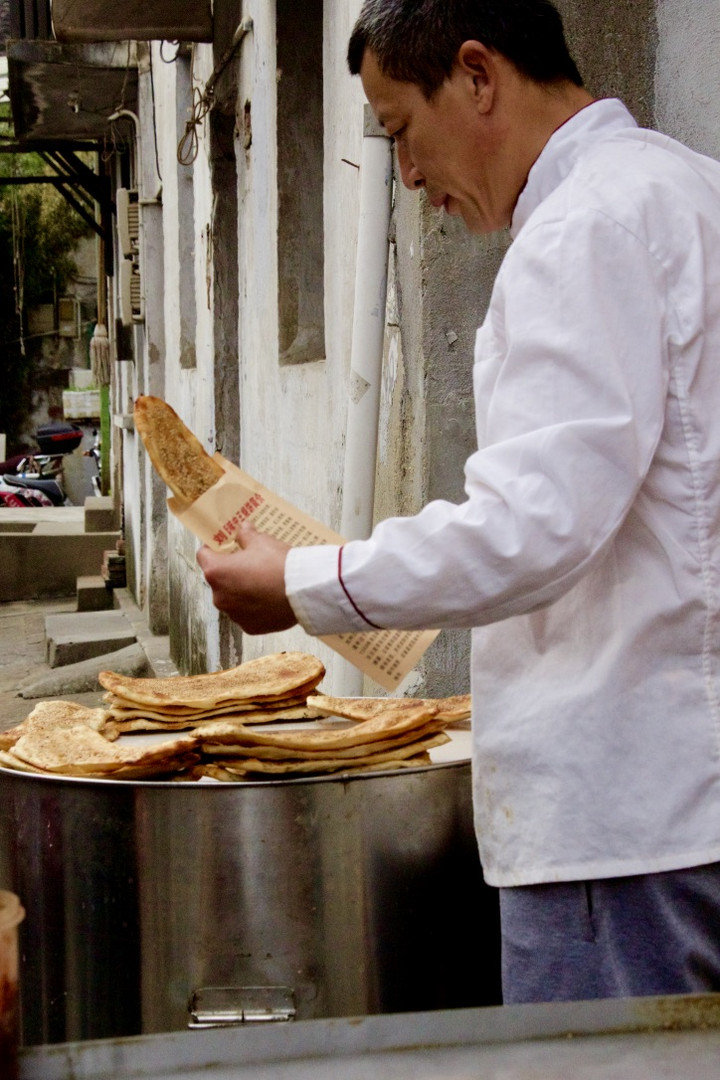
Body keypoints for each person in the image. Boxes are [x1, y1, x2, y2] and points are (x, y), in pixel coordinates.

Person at [198, 0, 720, 1004]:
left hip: (622, 824)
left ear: (477, 75)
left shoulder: (580, 231)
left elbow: (533, 525)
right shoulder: (691, 192)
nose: (405, 176)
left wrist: (305, 583)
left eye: (399, 130)